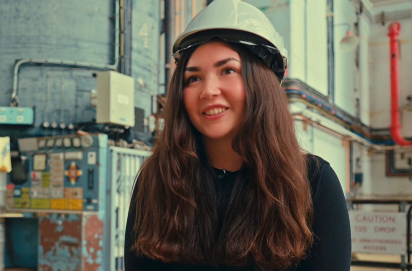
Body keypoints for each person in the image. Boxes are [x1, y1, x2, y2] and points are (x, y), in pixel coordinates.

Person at [124, 0, 351, 270]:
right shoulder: (158, 181)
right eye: (193, 78)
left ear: (262, 83)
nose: (208, 90)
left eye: (228, 70)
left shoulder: (314, 184)